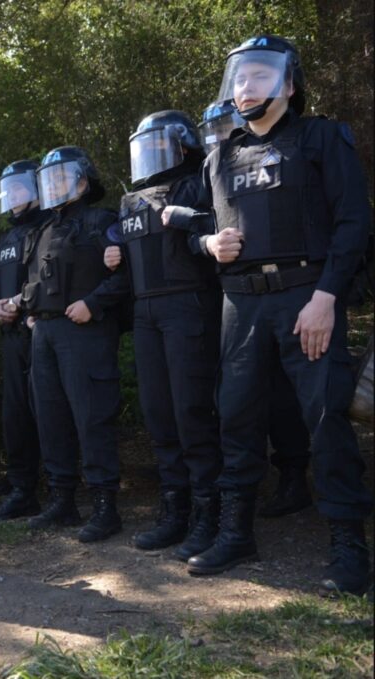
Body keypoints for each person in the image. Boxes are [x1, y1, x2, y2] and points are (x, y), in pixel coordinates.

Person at [168, 36, 372, 595]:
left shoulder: (321, 138)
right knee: (234, 417)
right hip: (241, 304)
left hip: (308, 297)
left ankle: (348, 546)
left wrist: (328, 297)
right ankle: (237, 534)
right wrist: (209, 244)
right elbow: (203, 231)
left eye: (259, 75)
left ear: (287, 84)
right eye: (239, 77)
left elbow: (354, 223)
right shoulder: (220, 157)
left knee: (326, 418)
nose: (245, 86)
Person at [102, 111, 222, 557]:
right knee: (158, 412)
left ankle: (210, 511)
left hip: (189, 304)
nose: (150, 157)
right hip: (146, 313)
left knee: (193, 410)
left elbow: (222, 229)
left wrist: (191, 218)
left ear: (184, 144)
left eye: (159, 145)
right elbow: (120, 245)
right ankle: (175, 509)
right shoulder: (130, 201)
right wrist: (110, 252)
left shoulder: (202, 181)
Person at [200, 100, 314, 519]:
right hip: (231, 299)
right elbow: (201, 224)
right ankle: (242, 505)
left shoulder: (274, 154)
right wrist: (204, 241)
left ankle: (292, 475)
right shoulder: (211, 168)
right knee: (237, 401)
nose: (218, 136)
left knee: (285, 395)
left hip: (284, 293)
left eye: (223, 127)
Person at [7, 147, 128, 543]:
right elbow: (34, 280)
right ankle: (62, 501)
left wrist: (93, 304)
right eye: (50, 178)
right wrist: (28, 308)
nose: (55, 184)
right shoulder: (39, 230)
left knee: (92, 417)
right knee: (50, 417)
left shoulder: (103, 221)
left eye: (62, 177)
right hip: (44, 334)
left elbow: (129, 276)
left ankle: (105, 507)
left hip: (85, 334)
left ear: (81, 180)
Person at [0, 160, 51, 523]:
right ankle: (22, 488)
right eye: (11, 190)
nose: (14, 196)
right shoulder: (5, 240)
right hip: (11, 336)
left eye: (20, 189)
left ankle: (57, 485)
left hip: (41, 331)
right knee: (15, 414)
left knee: (48, 409)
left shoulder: (49, 226)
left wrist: (18, 302)